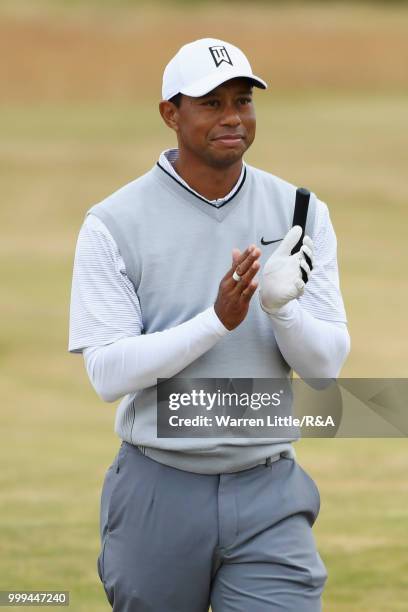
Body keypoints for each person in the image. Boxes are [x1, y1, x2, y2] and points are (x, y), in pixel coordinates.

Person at [68, 38, 350, 612]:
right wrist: (216, 322)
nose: (232, 119)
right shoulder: (113, 223)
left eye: (242, 101)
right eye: (211, 103)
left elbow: (326, 369)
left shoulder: (300, 211)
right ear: (171, 114)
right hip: (158, 487)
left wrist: (282, 309)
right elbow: (106, 372)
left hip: (269, 487)